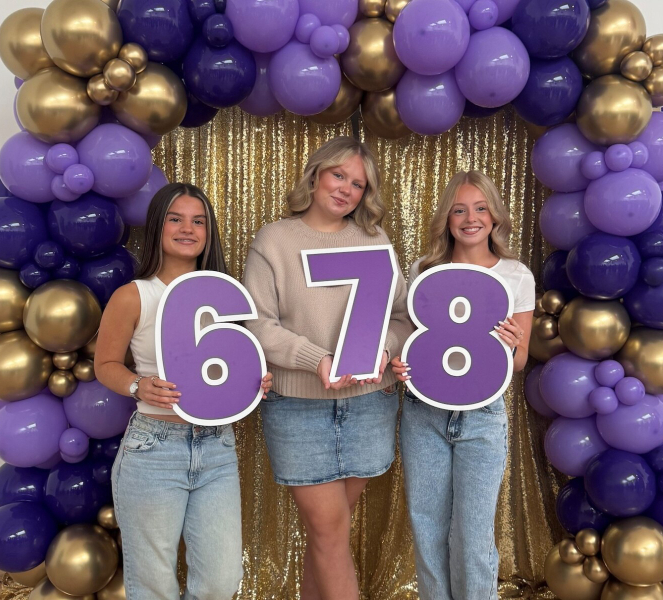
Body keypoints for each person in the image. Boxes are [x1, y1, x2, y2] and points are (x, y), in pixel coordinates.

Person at [242, 137, 413, 600]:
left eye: (358, 184)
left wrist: (385, 351)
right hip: (298, 408)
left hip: (368, 405)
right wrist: (312, 358)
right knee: (329, 531)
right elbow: (255, 322)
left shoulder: (375, 240)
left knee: (327, 536)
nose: (346, 190)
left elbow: (401, 316)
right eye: (339, 175)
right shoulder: (274, 240)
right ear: (316, 174)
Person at [94, 182, 272, 600]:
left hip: (216, 448)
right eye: (175, 219)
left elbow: (229, 364)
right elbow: (105, 366)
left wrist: (253, 381)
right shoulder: (133, 295)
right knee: (154, 584)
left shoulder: (227, 298)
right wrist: (139, 385)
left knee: (220, 582)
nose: (187, 228)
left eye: (198, 221)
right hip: (153, 448)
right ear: (157, 227)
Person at [390, 170, 535, 600]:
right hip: (424, 413)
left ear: (494, 216)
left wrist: (511, 346)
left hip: (483, 418)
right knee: (428, 527)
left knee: (472, 535)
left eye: (480, 208)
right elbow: (411, 343)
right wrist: (400, 366)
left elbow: (522, 360)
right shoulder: (425, 271)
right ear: (446, 219)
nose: (470, 218)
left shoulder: (516, 275)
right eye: (458, 210)